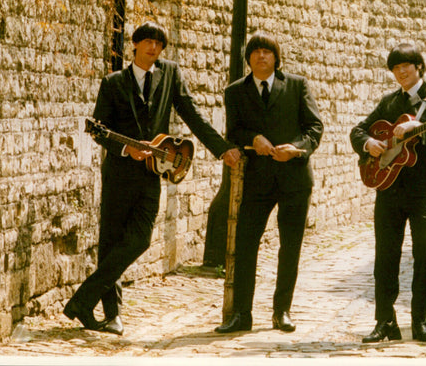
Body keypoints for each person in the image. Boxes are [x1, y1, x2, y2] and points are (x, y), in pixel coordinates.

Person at [64, 22, 239, 335]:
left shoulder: (169, 73)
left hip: (153, 174)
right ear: (135, 44)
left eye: (159, 44)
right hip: (119, 173)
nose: (154, 48)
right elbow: (100, 131)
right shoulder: (113, 82)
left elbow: (193, 115)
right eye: (148, 42)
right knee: (111, 243)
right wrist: (125, 151)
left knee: (140, 239)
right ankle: (113, 314)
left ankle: (81, 300)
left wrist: (221, 148)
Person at [216, 32, 323, 334]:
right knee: (245, 245)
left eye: (267, 52)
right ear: (248, 58)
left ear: (276, 57)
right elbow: (233, 130)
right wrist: (252, 138)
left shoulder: (297, 85)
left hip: (294, 179)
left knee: (290, 247)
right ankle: (241, 314)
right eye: (256, 52)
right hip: (257, 181)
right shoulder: (235, 91)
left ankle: (282, 311)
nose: (262, 57)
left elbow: (315, 126)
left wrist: (297, 149)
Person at [350, 43, 426, 343]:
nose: (401, 72)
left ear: (419, 67)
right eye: (395, 68)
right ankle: (385, 321)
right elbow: (358, 130)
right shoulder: (388, 103)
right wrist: (367, 144)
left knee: (425, 251)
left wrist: (421, 129)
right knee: (385, 256)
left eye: (406, 66)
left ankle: (420, 319)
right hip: (389, 188)